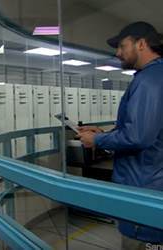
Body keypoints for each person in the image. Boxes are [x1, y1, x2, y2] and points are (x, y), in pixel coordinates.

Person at [78, 22, 163, 250]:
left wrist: (96, 140)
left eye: (122, 46)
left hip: (144, 188)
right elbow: (148, 131)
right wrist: (108, 134)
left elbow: (138, 137)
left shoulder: (149, 80)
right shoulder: (154, 76)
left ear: (142, 44)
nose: (117, 52)